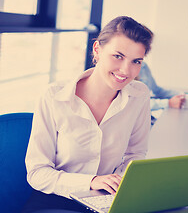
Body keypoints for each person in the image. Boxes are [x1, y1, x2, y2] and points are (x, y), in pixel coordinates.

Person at [23, 16, 153, 212]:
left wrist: (121, 183)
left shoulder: (139, 95)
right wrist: (92, 181)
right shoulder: (54, 97)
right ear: (97, 50)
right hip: (57, 200)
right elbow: (37, 173)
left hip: (107, 200)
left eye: (136, 61)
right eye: (118, 56)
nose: (126, 70)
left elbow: (135, 154)